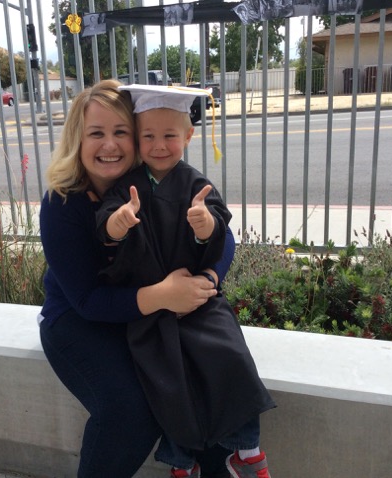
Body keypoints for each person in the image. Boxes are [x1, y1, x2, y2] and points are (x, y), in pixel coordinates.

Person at [38, 79, 236, 478]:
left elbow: (223, 234)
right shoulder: (62, 202)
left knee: (205, 377)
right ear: (78, 139)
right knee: (129, 409)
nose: (109, 145)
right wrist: (164, 296)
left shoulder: (157, 180)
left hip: (143, 315)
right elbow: (88, 301)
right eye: (96, 133)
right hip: (79, 321)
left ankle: (221, 465)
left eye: (121, 132)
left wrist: (209, 278)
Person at [96, 84, 276, 478]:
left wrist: (204, 224)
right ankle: (182, 462)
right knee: (168, 379)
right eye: (148, 136)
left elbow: (217, 227)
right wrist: (119, 221)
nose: (159, 145)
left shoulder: (196, 185)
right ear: (138, 138)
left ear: (189, 136)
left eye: (169, 136)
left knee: (231, 357)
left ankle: (247, 451)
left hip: (197, 301)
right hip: (153, 308)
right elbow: (106, 226)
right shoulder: (127, 189)